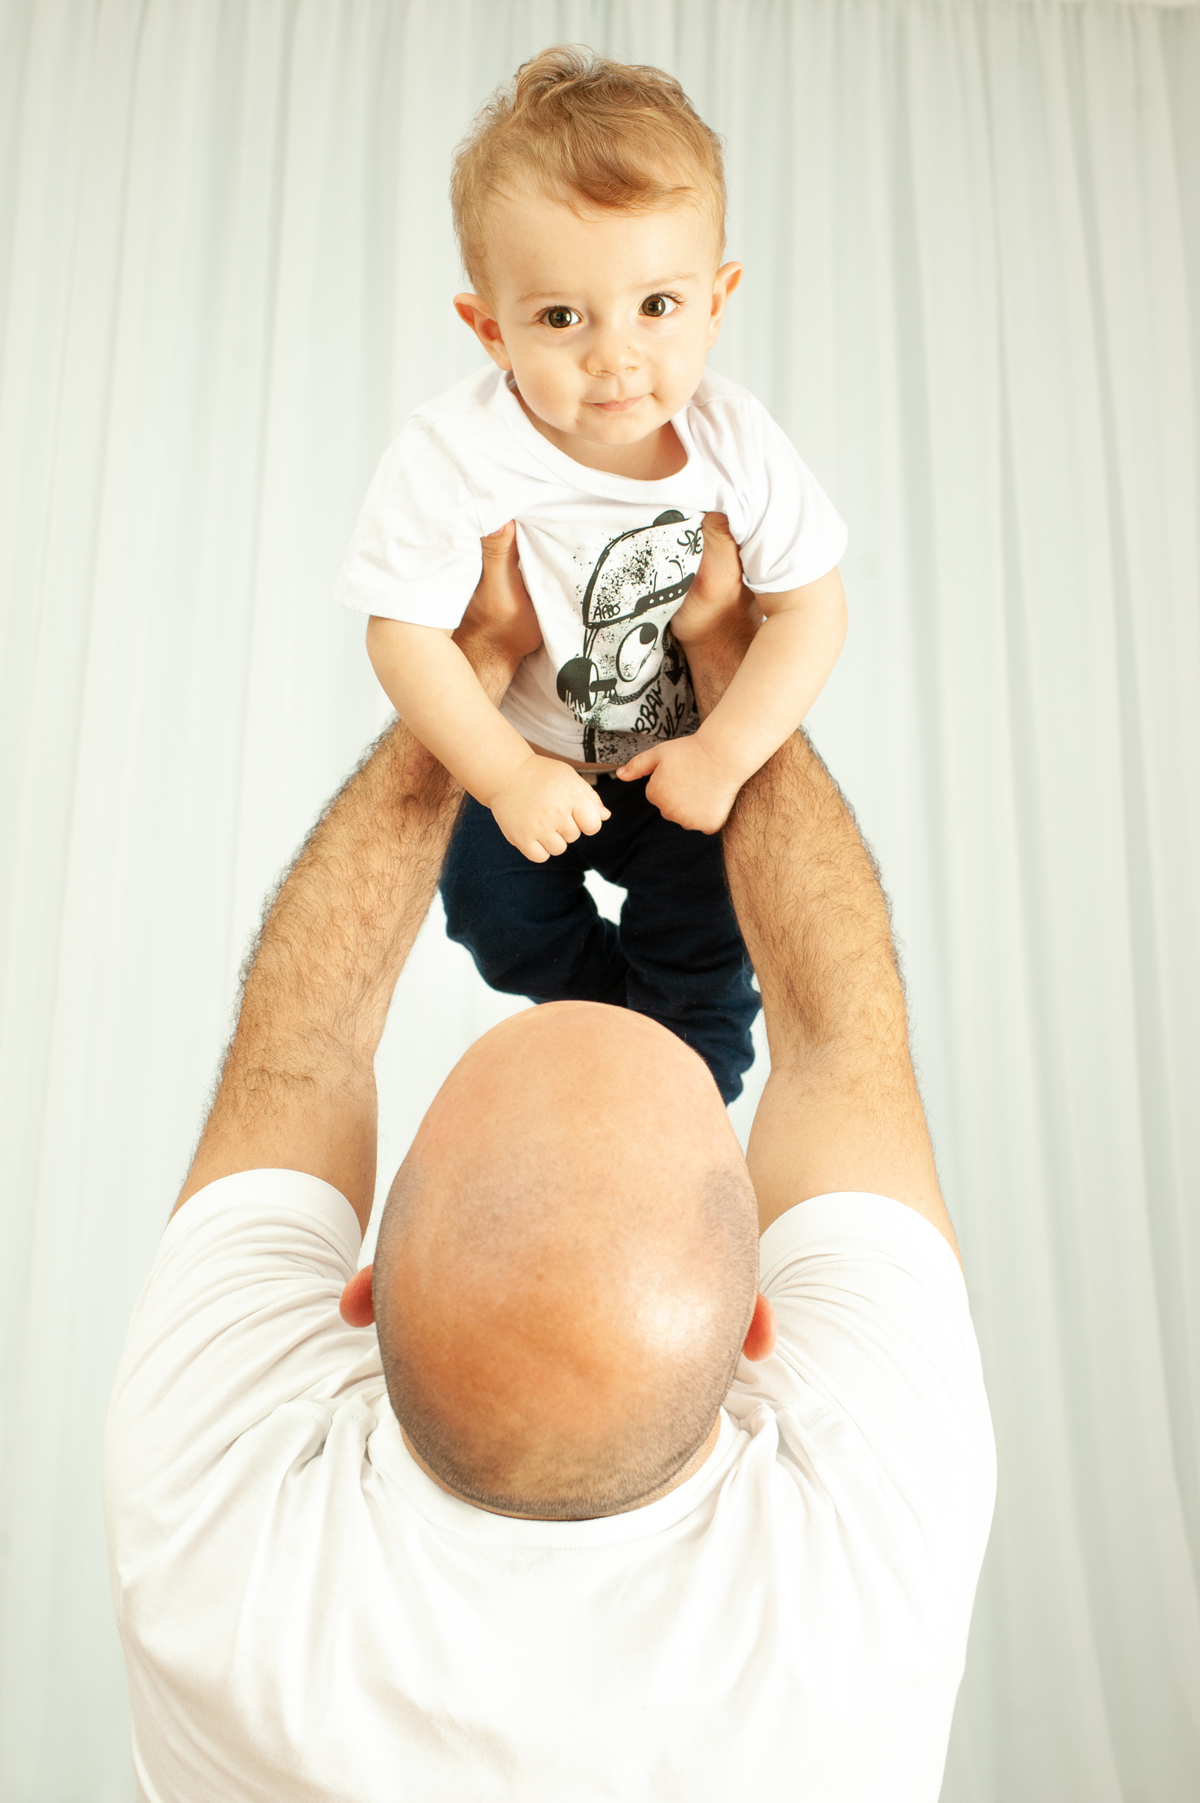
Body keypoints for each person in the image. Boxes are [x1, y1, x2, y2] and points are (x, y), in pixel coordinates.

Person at [104, 515, 995, 1801]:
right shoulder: (869, 1568)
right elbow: (842, 1044)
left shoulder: (214, 1532)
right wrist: (740, 666)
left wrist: (463, 690)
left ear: (361, 1297)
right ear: (758, 1326)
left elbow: (297, 1054)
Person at [336, 47, 849, 1104]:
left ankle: (686, 1102)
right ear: (490, 328)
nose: (615, 356)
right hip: (524, 755)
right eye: (562, 318)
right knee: (489, 912)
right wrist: (502, 775)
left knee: (711, 935)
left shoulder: (734, 440)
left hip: (682, 765)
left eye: (656, 306)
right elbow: (403, 634)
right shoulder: (456, 452)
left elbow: (810, 609)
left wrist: (724, 751)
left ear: (718, 299)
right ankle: (607, 1022)